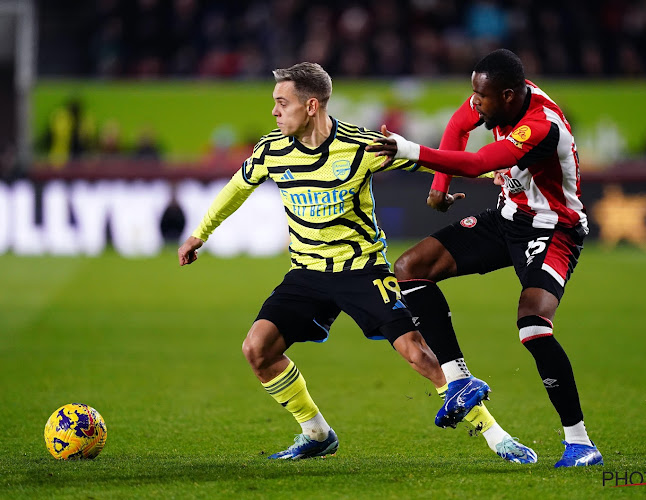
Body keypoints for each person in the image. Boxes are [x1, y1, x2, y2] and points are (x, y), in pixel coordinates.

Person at [177, 62, 535, 462]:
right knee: (257, 349)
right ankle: (316, 433)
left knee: (418, 353)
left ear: (311, 106)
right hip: (307, 273)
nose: (275, 112)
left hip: (362, 270)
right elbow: (236, 188)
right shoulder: (270, 150)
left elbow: (433, 159)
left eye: (282, 103)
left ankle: (496, 435)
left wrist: (491, 177)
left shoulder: (362, 145)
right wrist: (200, 234)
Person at [366, 49, 603, 467]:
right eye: (472, 92)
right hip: (509, 218)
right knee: (410, 269)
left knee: (532, 326)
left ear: (509, 96)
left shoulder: (540, 126)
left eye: (482, 97)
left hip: (553, 229)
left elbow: (477, 163)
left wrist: (409, 151)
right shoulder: (496, 99)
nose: (474, 103)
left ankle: (580, 442)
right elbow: (458, 126)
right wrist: (439, 187)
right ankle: (459, 381)